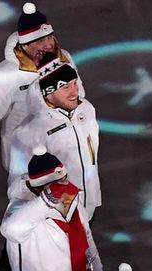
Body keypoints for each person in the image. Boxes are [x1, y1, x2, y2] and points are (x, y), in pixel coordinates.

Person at [0, 2, 70, 189]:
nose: (48, 46)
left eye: (49, 38)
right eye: (39, 41)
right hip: (26, 163)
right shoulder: (3, 76)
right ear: (25, 44)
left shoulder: (66, 60)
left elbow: (78, 97)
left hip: (65, 153)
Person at [8, 60, 100, 214]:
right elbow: (17, 186)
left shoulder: (86, 109)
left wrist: (93, 198)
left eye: (75, 83)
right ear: (48, 94)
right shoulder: (27, 131)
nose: (75, 92)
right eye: (66, 87)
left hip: (88, 205)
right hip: (56, 213)